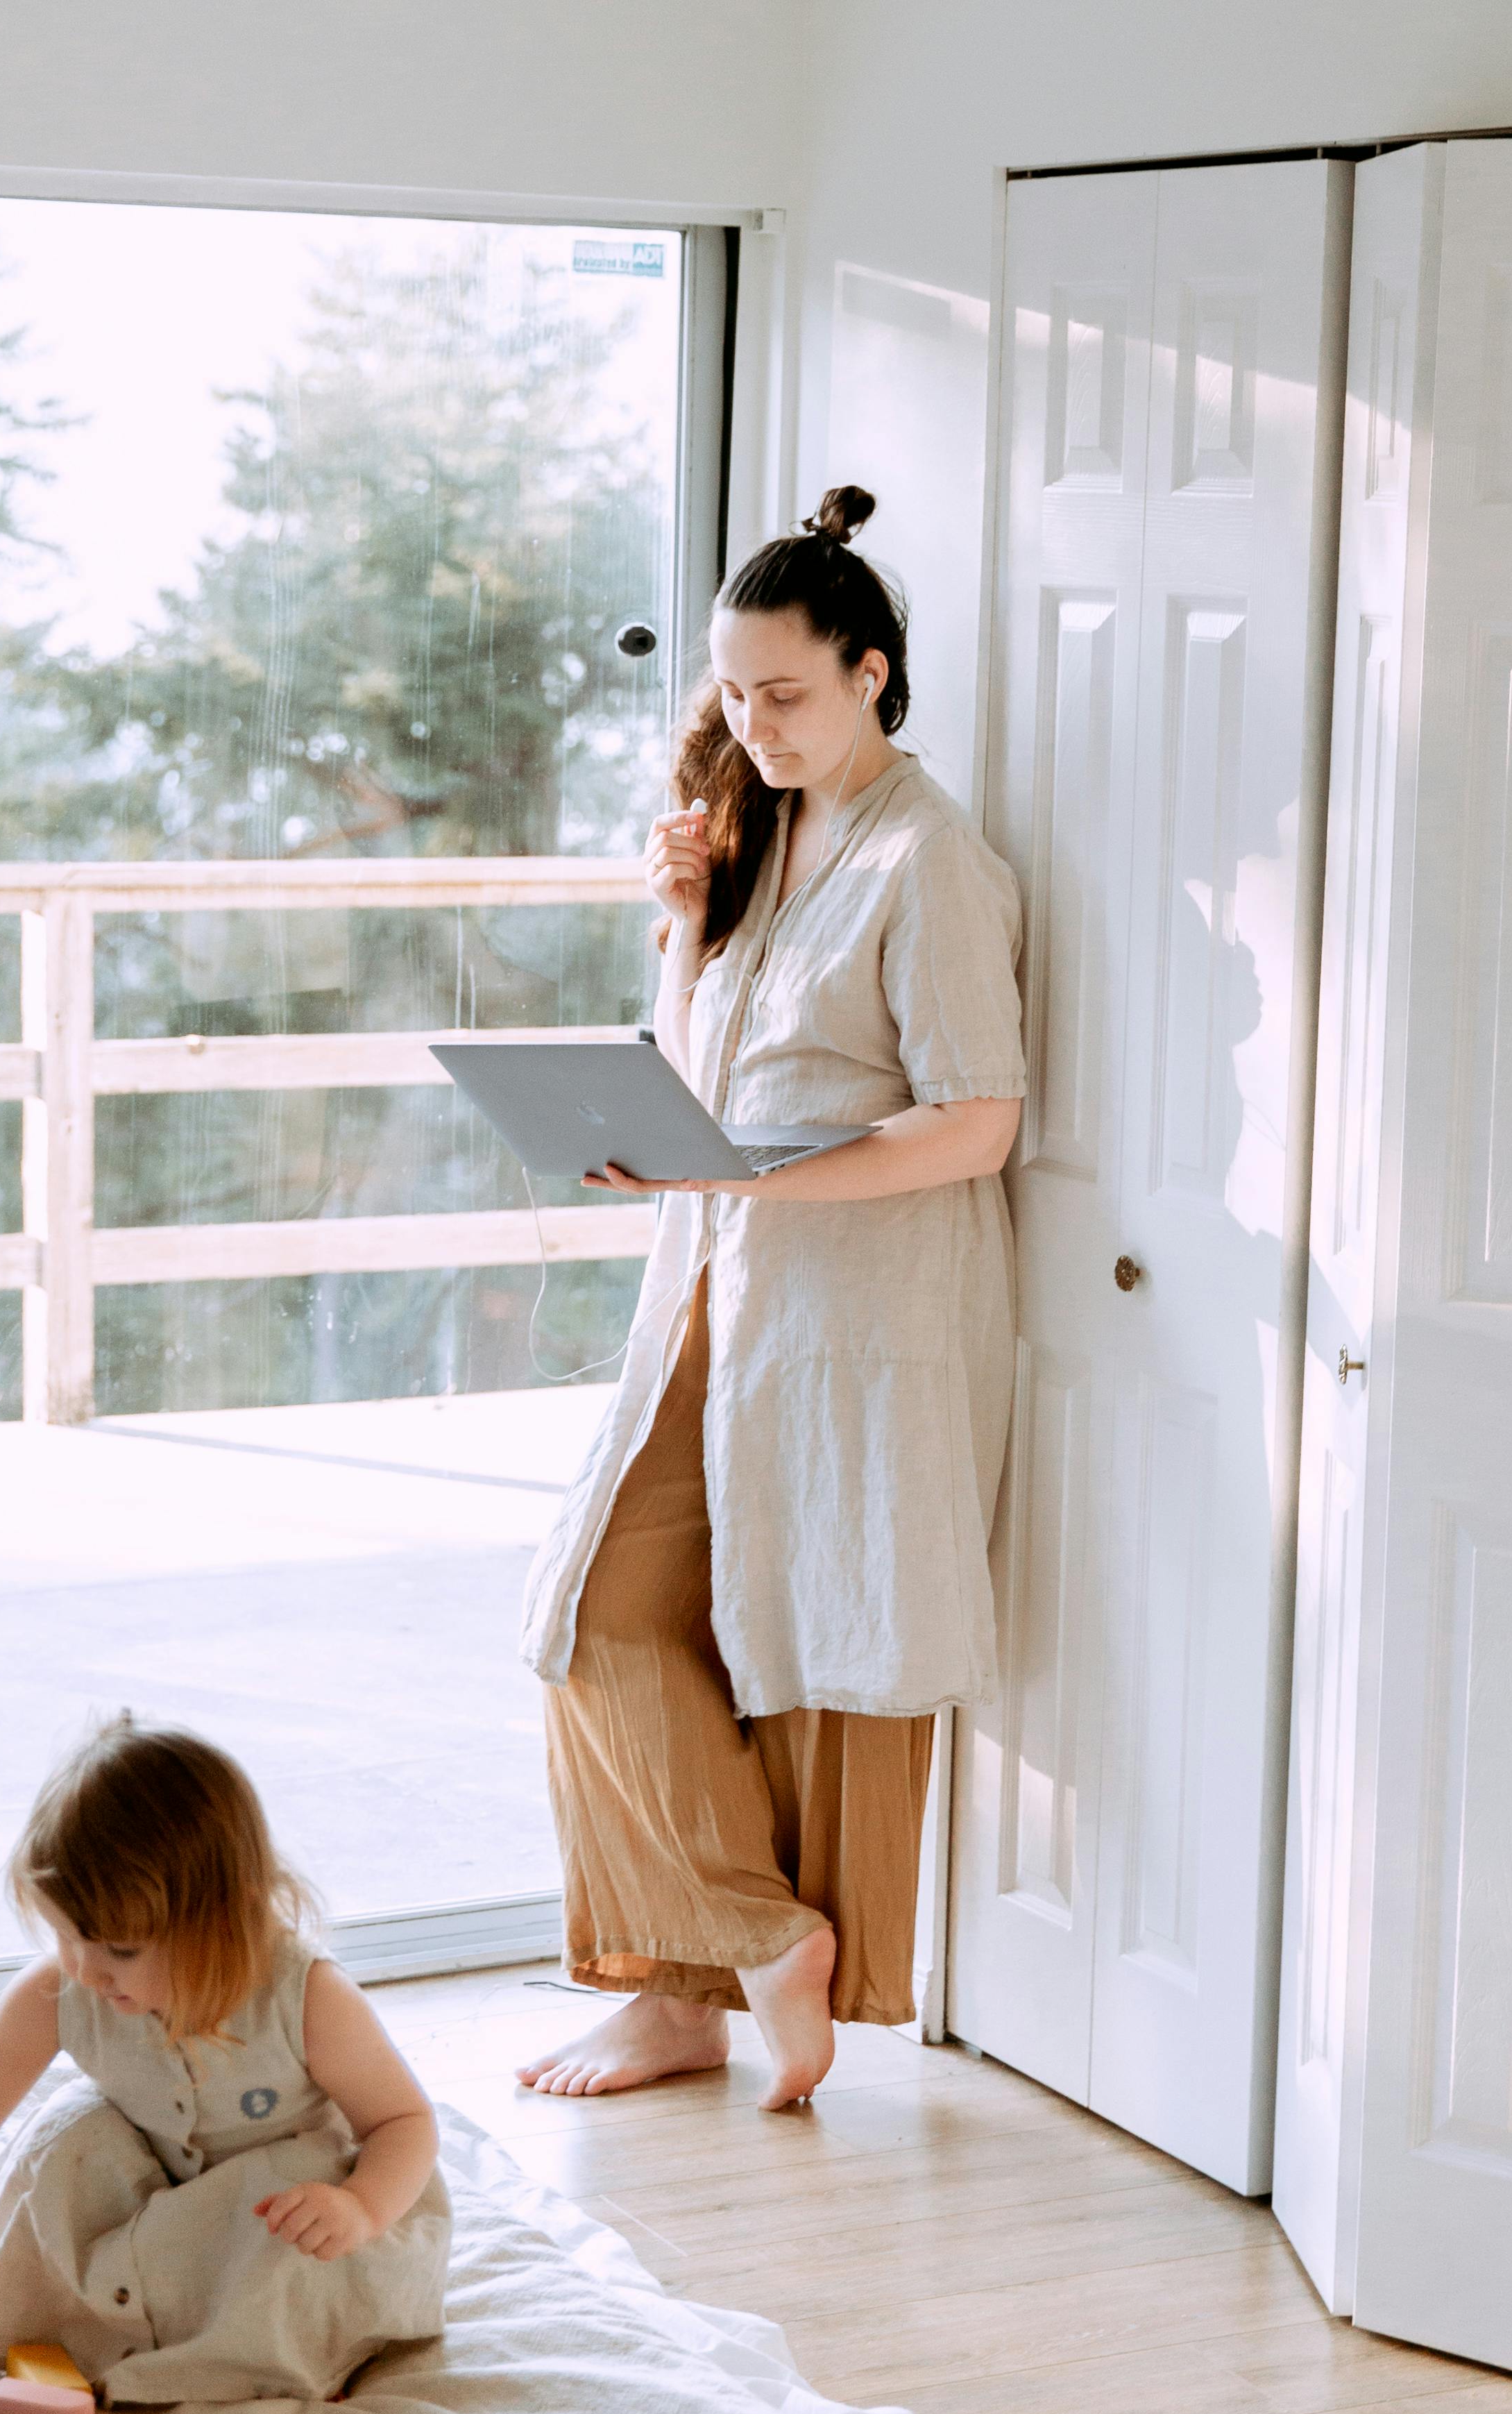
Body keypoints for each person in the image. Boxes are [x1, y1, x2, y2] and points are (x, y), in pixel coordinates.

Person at [518, 487, 1025, 2116]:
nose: (752, 722)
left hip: (845, 1312)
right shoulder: (767, 822)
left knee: (768, 1633)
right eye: (731, 693)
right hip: (716, 1290)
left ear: (872, 670)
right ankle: (711, 1966)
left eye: (784, 692)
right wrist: (681, 923)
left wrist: (741, 1181)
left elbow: (975, 1121)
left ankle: (722, 1969)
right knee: (592, 1621)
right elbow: (698, 1072)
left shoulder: (928, 862)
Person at [0, 1718, 450, 2404]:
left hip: (289, 2214)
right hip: (164, 2197)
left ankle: (260, 2351)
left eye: (120, 1951)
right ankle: (130, 2321)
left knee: (290, 2211)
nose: (87, 1972)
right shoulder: (59, 1989)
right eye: (66, 1938)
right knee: (71, 2137)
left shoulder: (306, 1999)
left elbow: (404, 2121)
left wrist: (361, 2207)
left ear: (227, 1920)